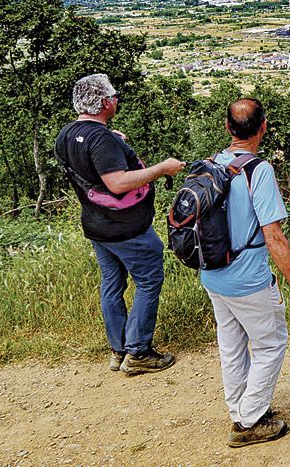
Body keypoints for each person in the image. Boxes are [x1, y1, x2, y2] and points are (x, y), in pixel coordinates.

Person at [55, 73, 186, 375]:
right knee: (148, 280)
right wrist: (162, 169)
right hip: (126, 227)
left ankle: (118, 350)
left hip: (96, 225)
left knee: (112, 285)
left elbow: (87, 162)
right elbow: (116, 183)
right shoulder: (101, 139)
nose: (116, 100)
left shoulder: (67, 134)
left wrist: (113, 142)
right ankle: (139, 352)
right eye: (113, 97)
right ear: (103, 102)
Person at [201, 97, 290, 448]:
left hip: (213, 274)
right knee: (270, 343)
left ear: (227, 129)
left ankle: (240, 410)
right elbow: (273, 236)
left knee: (231, 345)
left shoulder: (212, 164)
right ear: (263, 128)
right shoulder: (257, 170)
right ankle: (248, 421)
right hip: (247, 279)